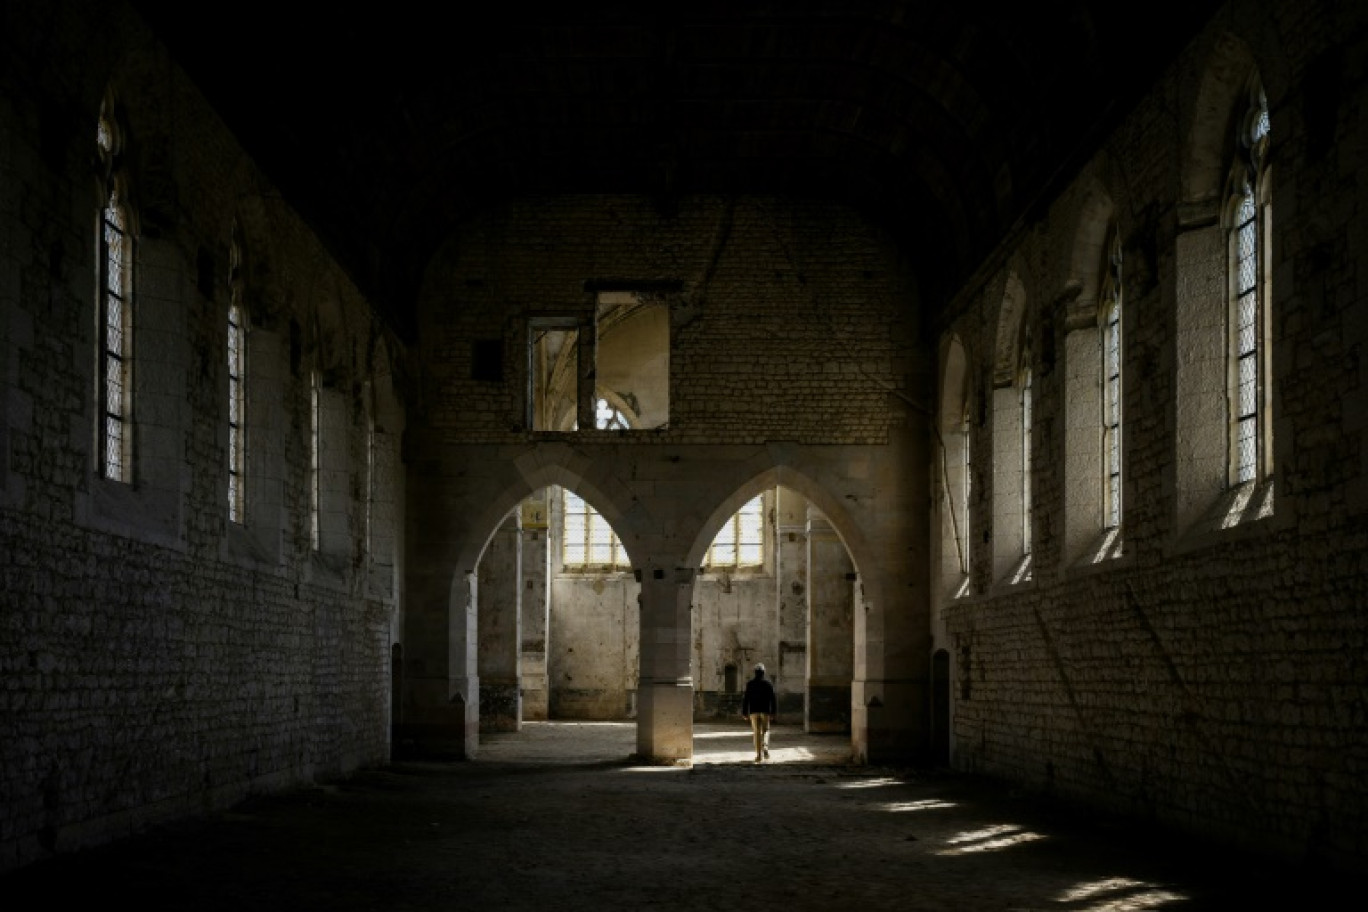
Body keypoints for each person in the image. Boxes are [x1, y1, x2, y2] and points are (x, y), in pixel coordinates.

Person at [741, 662, 777, 762]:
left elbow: (746, 699)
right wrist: (773, 712)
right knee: (765, 731)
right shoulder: (768, 684)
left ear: (755, 672)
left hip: (753, 711)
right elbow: (773, 699)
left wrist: (744, 712)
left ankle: (758, 755)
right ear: (763, 673)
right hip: (765, 711)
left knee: (756, 733)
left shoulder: (750, 684)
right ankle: (765, 746)